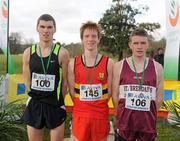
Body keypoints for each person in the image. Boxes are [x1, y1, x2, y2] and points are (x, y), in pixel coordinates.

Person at [22, 14, 69, 141]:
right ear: (37, 28)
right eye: (42, 26)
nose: (45, 30)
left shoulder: (62, 53)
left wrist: (60, 101)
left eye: (49, 27)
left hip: (55, 105)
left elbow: (65, 83)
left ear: (54, 29)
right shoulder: (28, 53)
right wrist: (32, 94)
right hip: (35, 104)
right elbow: (26, 78)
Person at [112, 28, 164, 141]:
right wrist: (121, 115)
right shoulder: (119, 66)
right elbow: (115, 95)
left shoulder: (157, 67)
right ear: (130, 45)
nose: (139, 46)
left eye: (142, 43)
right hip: (125, 124)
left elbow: (159, 97)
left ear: (148, 45)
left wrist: (149, 114)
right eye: (135, 43)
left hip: (147, 125)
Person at [68, 21, 114, 141]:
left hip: (100, 115)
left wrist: (95, 104)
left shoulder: (108, 63)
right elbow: (72, 92)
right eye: (86, 36)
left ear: (99, 39)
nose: (90, 39)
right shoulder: (73, 63)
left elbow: (109, 92)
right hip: (80, 115)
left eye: (94, 36)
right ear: (82, 39)